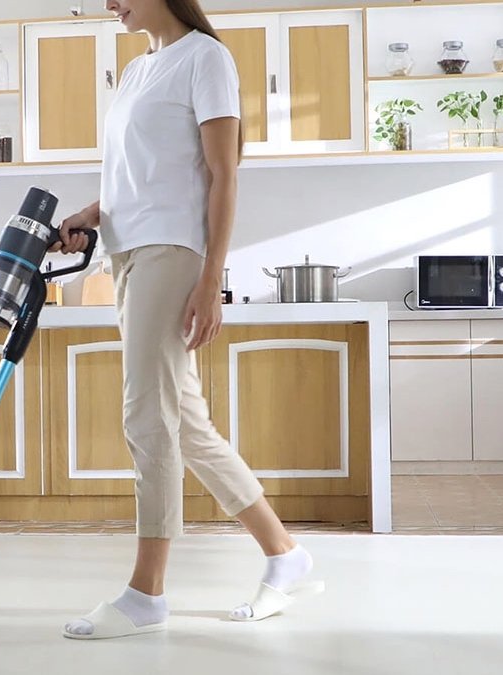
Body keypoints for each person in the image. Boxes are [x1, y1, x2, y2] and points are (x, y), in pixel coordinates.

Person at [50, 0, 317, 641]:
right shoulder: (138, 68)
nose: (109, 4)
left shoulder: (206, 58)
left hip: (174, 253)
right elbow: (134, 182)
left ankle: (147, 593)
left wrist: (211, 280)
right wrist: (92, 215)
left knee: (147, 415)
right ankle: (287, 556)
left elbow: (224, 175)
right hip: (128, 253)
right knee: (187, 424)